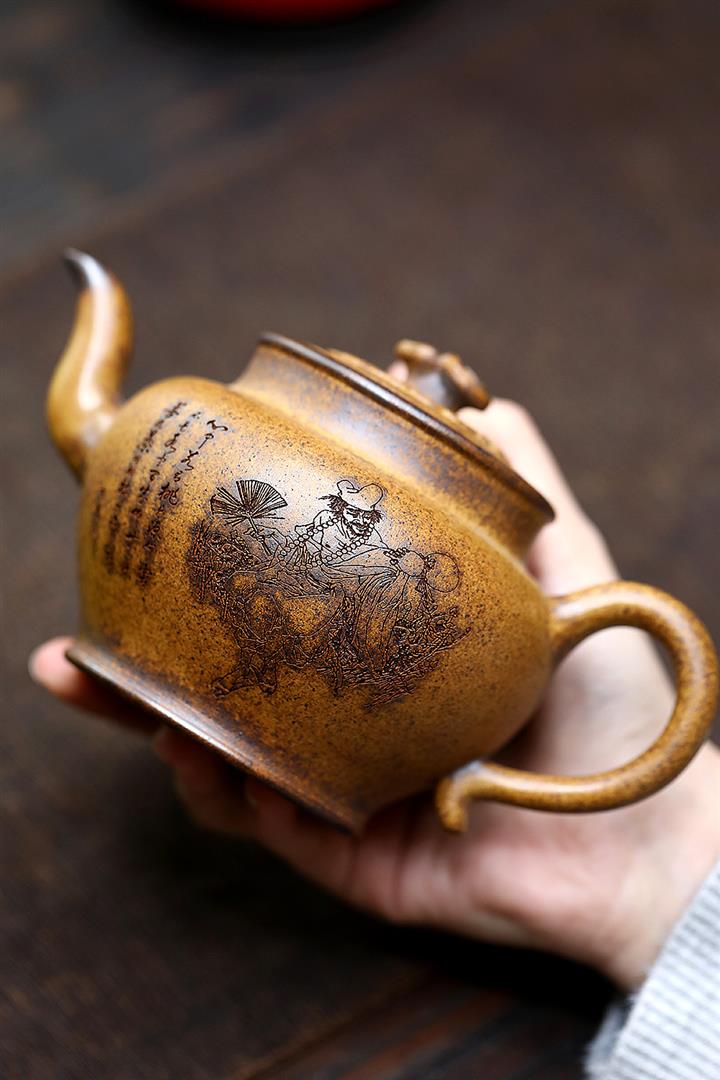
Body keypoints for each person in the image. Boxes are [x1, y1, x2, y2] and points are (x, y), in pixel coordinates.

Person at [29, 399, 720, 1079]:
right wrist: (652, 876)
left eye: (354, 519)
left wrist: (650, 866)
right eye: (343, 514)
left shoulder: (464, 591)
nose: (347, 522)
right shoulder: (267, 443)